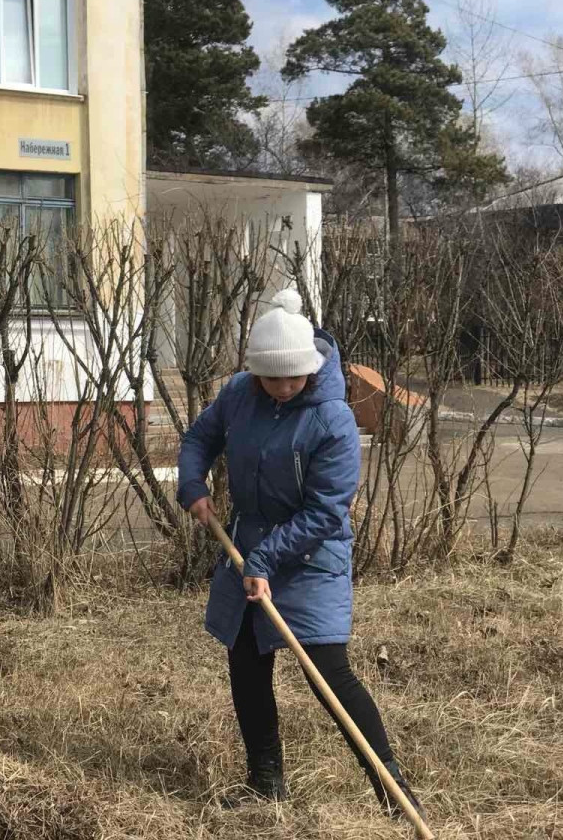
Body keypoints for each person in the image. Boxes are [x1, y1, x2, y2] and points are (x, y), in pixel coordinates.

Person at [176, 287, 424, 819]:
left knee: (328, 672)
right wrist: (192, 482)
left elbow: (325, 511)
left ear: (312, 367)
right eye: (273, 379)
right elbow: (200, 437)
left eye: (294, 378)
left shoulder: (333, 418)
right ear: (255, 372)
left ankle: (393, 791)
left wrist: (265, 561)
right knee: (246, 661)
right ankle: (265, 782)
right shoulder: (240, 393)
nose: (284, 388)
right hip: (245, 548)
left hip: (311, 556)